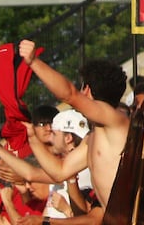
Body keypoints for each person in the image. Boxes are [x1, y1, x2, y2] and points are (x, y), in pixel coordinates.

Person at [19, 41, 130, 209]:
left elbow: (69, 94)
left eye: (82, 87)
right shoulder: (92, 136)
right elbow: (60, 171)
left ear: (88, 90)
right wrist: (32, 137)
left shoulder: (115, 119)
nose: (81, 93)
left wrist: (34, 61)